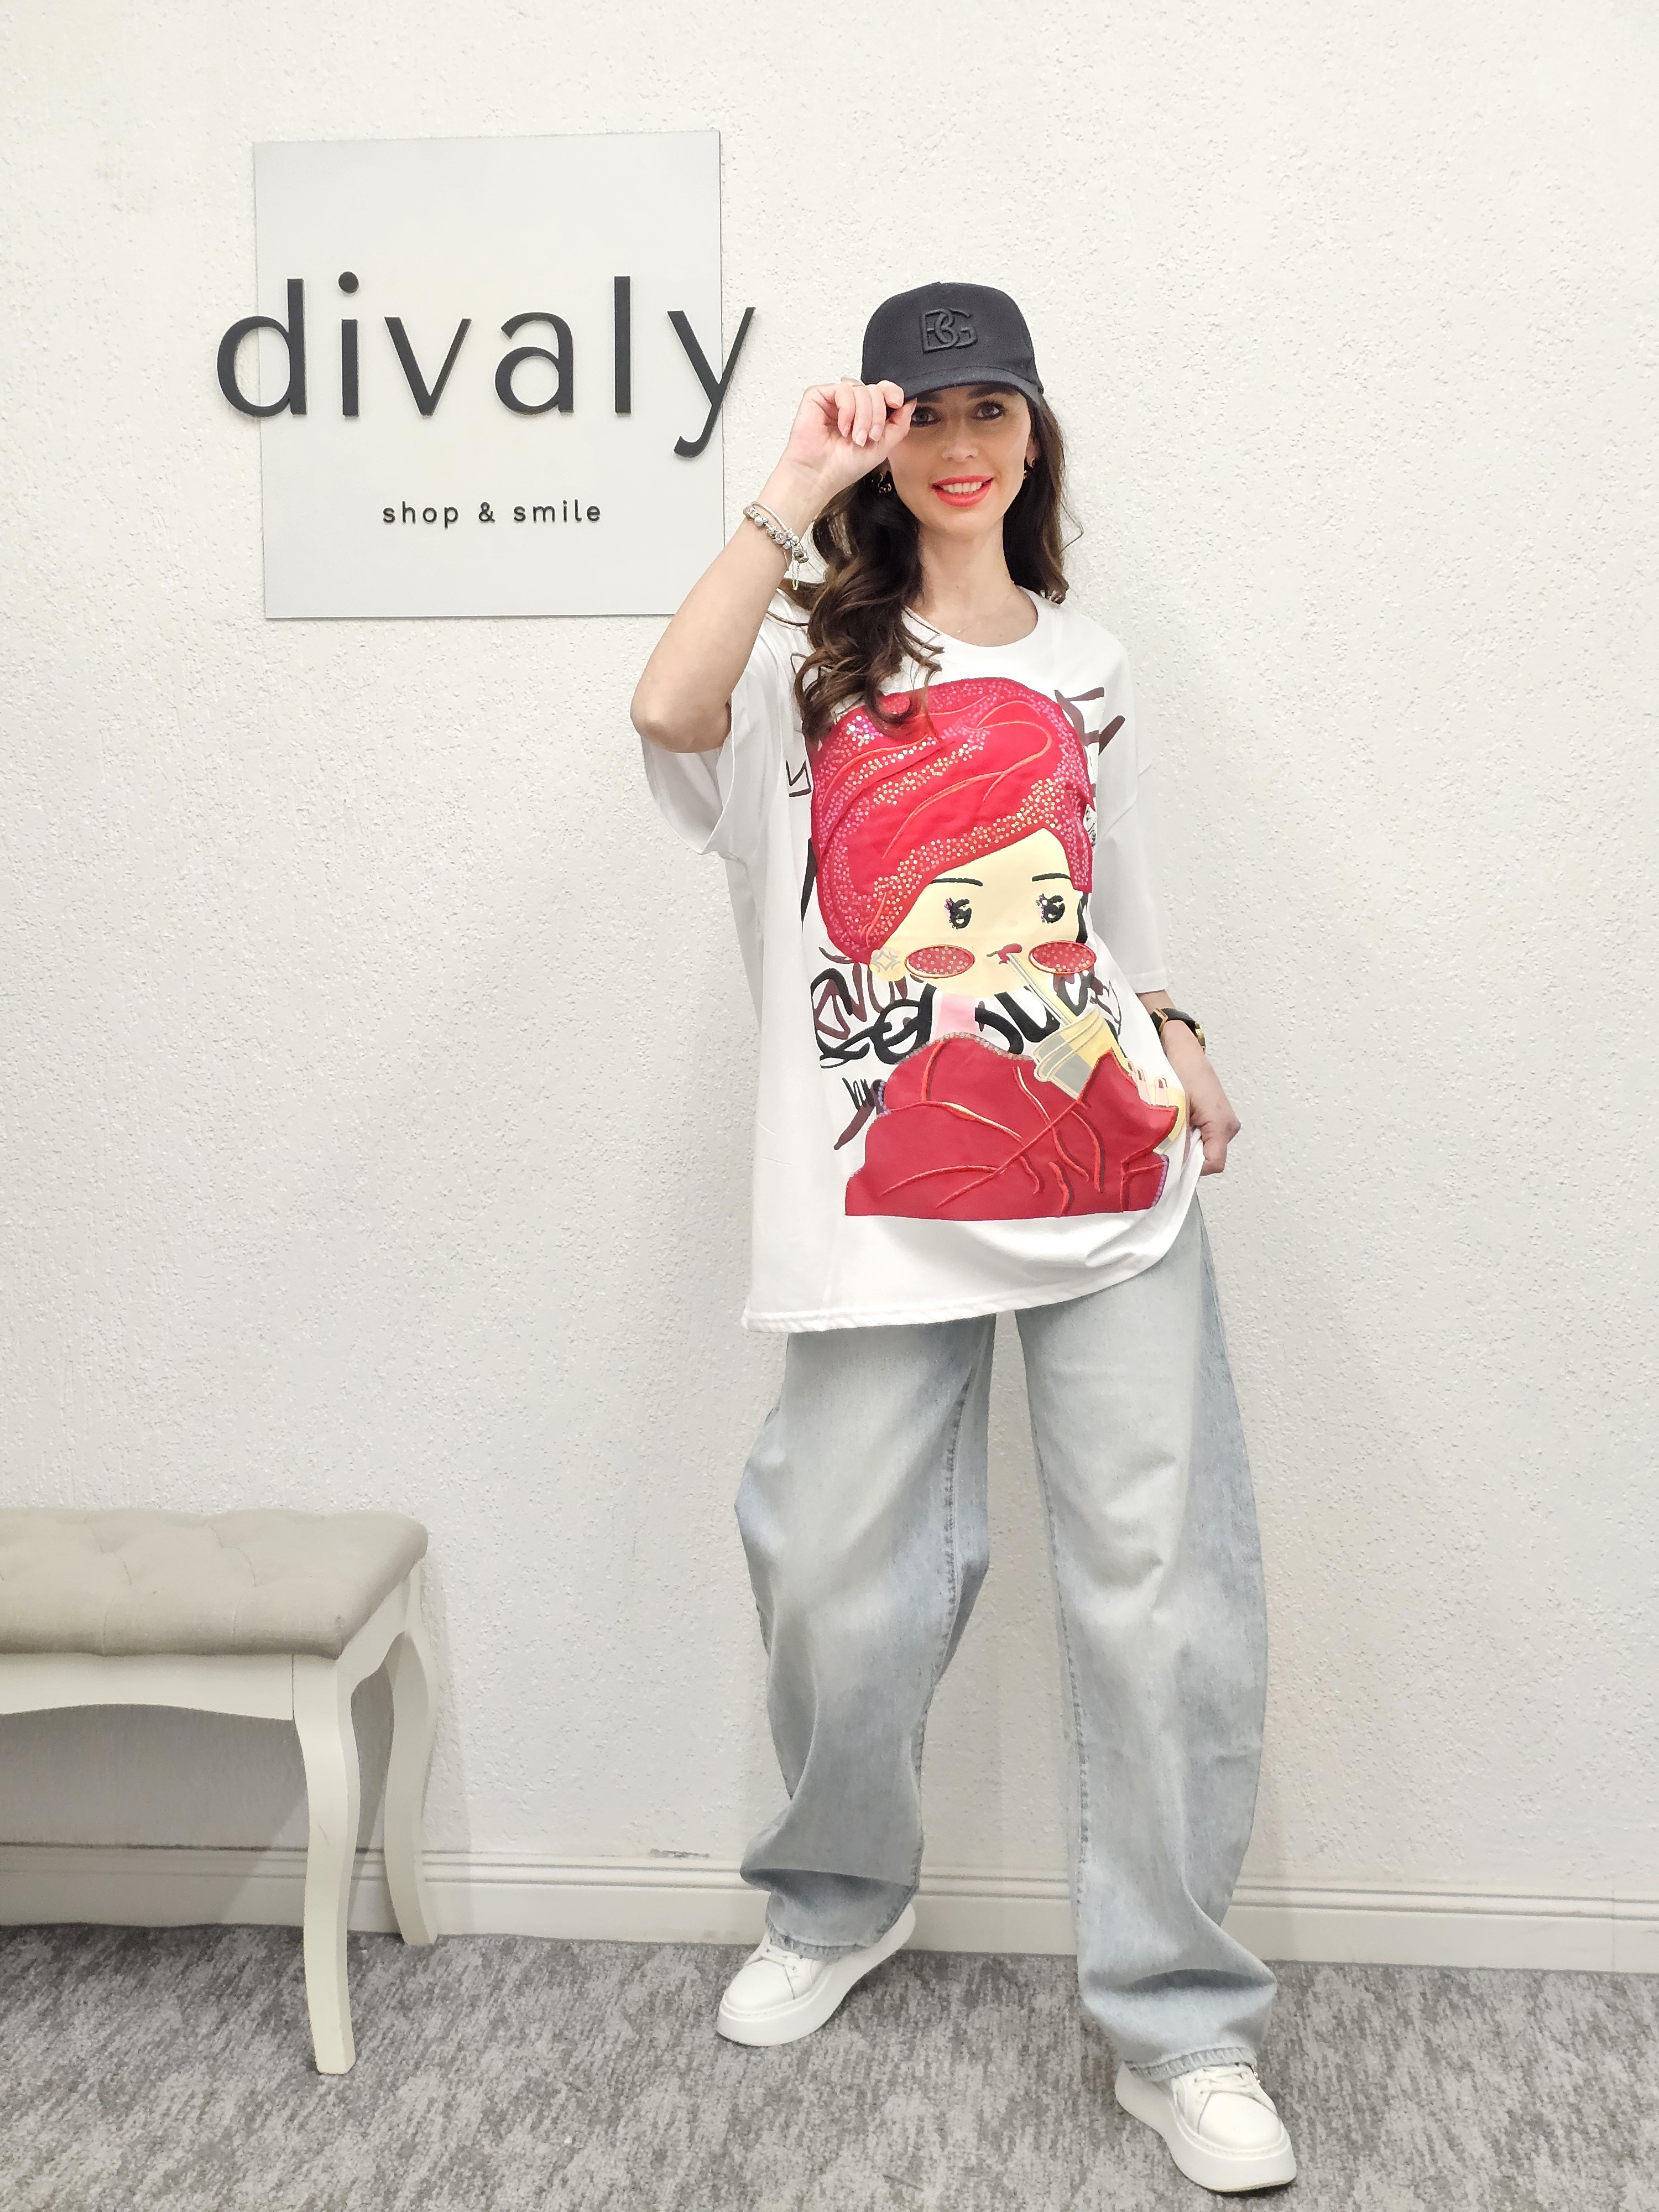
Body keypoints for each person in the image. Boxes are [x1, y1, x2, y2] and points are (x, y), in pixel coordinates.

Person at [631, 282, 1297, 2197]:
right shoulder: (802, 662)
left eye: (989, 407)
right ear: (883, 439)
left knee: (1162, 1598)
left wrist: (1177, 1030)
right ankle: (841, 1898)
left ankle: (1181, 2025)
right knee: (835, 1576)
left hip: (1105, 1176)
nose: (959, 443)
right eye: (924, 414)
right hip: (879, 1191)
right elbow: (664, 714)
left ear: (1031, 433)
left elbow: (1113, 916)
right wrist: (785, 491)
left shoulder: (1092, 664)